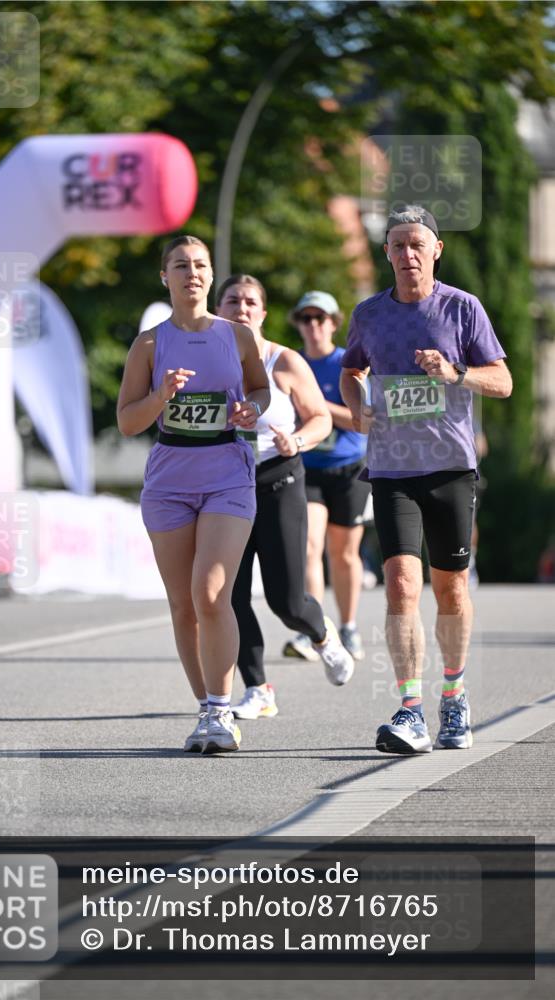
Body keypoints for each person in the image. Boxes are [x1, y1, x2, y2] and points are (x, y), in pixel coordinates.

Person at [340, 205, 512, 754]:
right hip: (392, 469)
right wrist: (358, 406)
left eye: (417, 244)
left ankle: (454, 697)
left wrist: (455, 372)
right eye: (397, 245)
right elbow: (351, 370)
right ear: (385, 253)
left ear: (436, 249)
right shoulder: (369, 313)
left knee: (452, 590)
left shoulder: (462, 309)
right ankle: (411, 709)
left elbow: (504, 381)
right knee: (399, 587)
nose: (407, 254)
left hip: (449, 468)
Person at [117, 237, 270, 754]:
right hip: (169, 483)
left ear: (211, 273)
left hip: (228, 474)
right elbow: (127, 422)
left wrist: (251, 409)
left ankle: (221, 711)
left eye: (200, 265)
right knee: (183, 605)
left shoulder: (238, 335)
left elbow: (259, 388)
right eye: (180, 266)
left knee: (211, 593)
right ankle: (207, 708)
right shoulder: (149, 345)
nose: (192, 273)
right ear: (166, 277)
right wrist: (161, 396)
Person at [215, 275, 354, 721]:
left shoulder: (285, 361)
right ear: (218, 309)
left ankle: (323, 635)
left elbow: (320, 420)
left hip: (277, 480)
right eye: (232, 299)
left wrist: (297, 439)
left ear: (263, 312)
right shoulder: (205, 362)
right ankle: (258, 688)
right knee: (229, 597)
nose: (241, 307)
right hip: (223, 488)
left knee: (286, 599)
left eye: (250, 301)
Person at [282, 291, 372, 664]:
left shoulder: (347, 363)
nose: (314, 325)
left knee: (345, 553)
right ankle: (313, 630)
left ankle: (348, 625)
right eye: (306, 319)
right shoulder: (291, 364)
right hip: (308, 469)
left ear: (334, 324)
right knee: (309, 547)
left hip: (351, 467)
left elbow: (364, 422)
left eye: (321, 318)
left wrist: (319, 409)